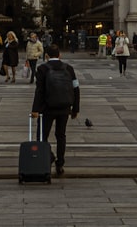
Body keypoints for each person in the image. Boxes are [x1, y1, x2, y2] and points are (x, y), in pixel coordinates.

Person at [31, 43, 80, 177]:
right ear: (60, 55)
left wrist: (35, 109)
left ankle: (49, 156)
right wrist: (75, 109)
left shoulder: (42, 69)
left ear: (46, 56)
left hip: (47, 108)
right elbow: (76, 88)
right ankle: (60, 164)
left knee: (42, 136)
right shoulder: (69, 68)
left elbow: (39, 91)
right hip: (64, 107)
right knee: (61, 136)